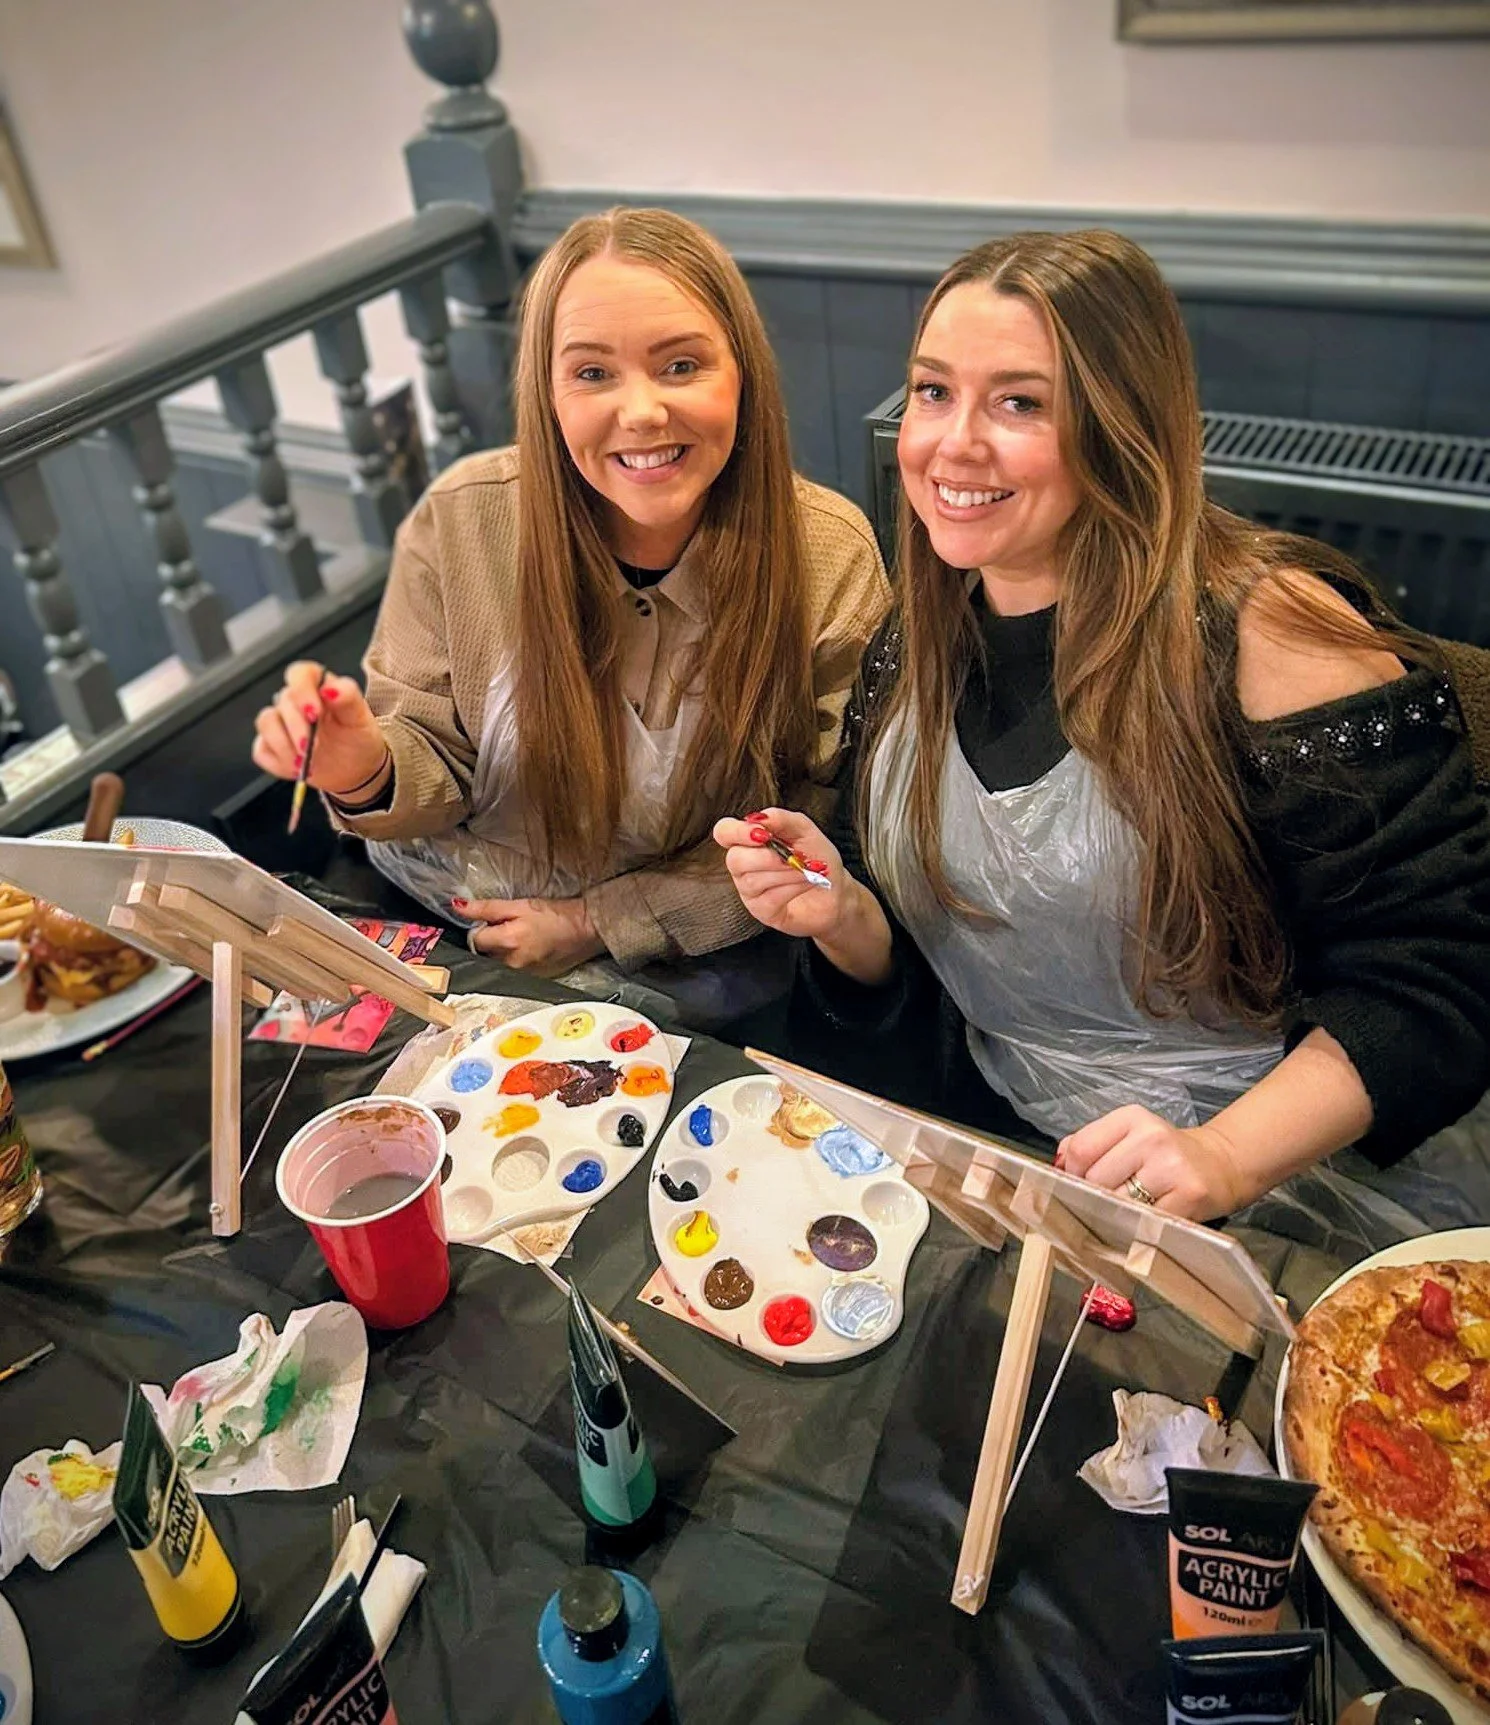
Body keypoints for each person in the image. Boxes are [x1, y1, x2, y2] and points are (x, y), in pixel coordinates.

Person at [716, 228, 1490, 1241]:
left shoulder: (1267, 633)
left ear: (1120, 426)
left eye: (1020, 403)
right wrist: (843, 914)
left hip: (1273, 1185)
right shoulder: (916, 640)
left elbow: (1436, 973)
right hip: (1008, 1153)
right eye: (932, 391)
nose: (951, 443)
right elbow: (940, 954)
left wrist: (1220, 1155)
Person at [252, 208, 888, 1027]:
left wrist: (598, 921)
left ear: (744, 375)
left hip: (692, 952)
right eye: (593, 374)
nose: (643, 413)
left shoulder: (828, 556)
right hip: (457, 922)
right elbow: (429, 767)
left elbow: (817, 829)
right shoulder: (463, 522)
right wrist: (359, 767)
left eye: (683, 364)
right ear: (547, 392)